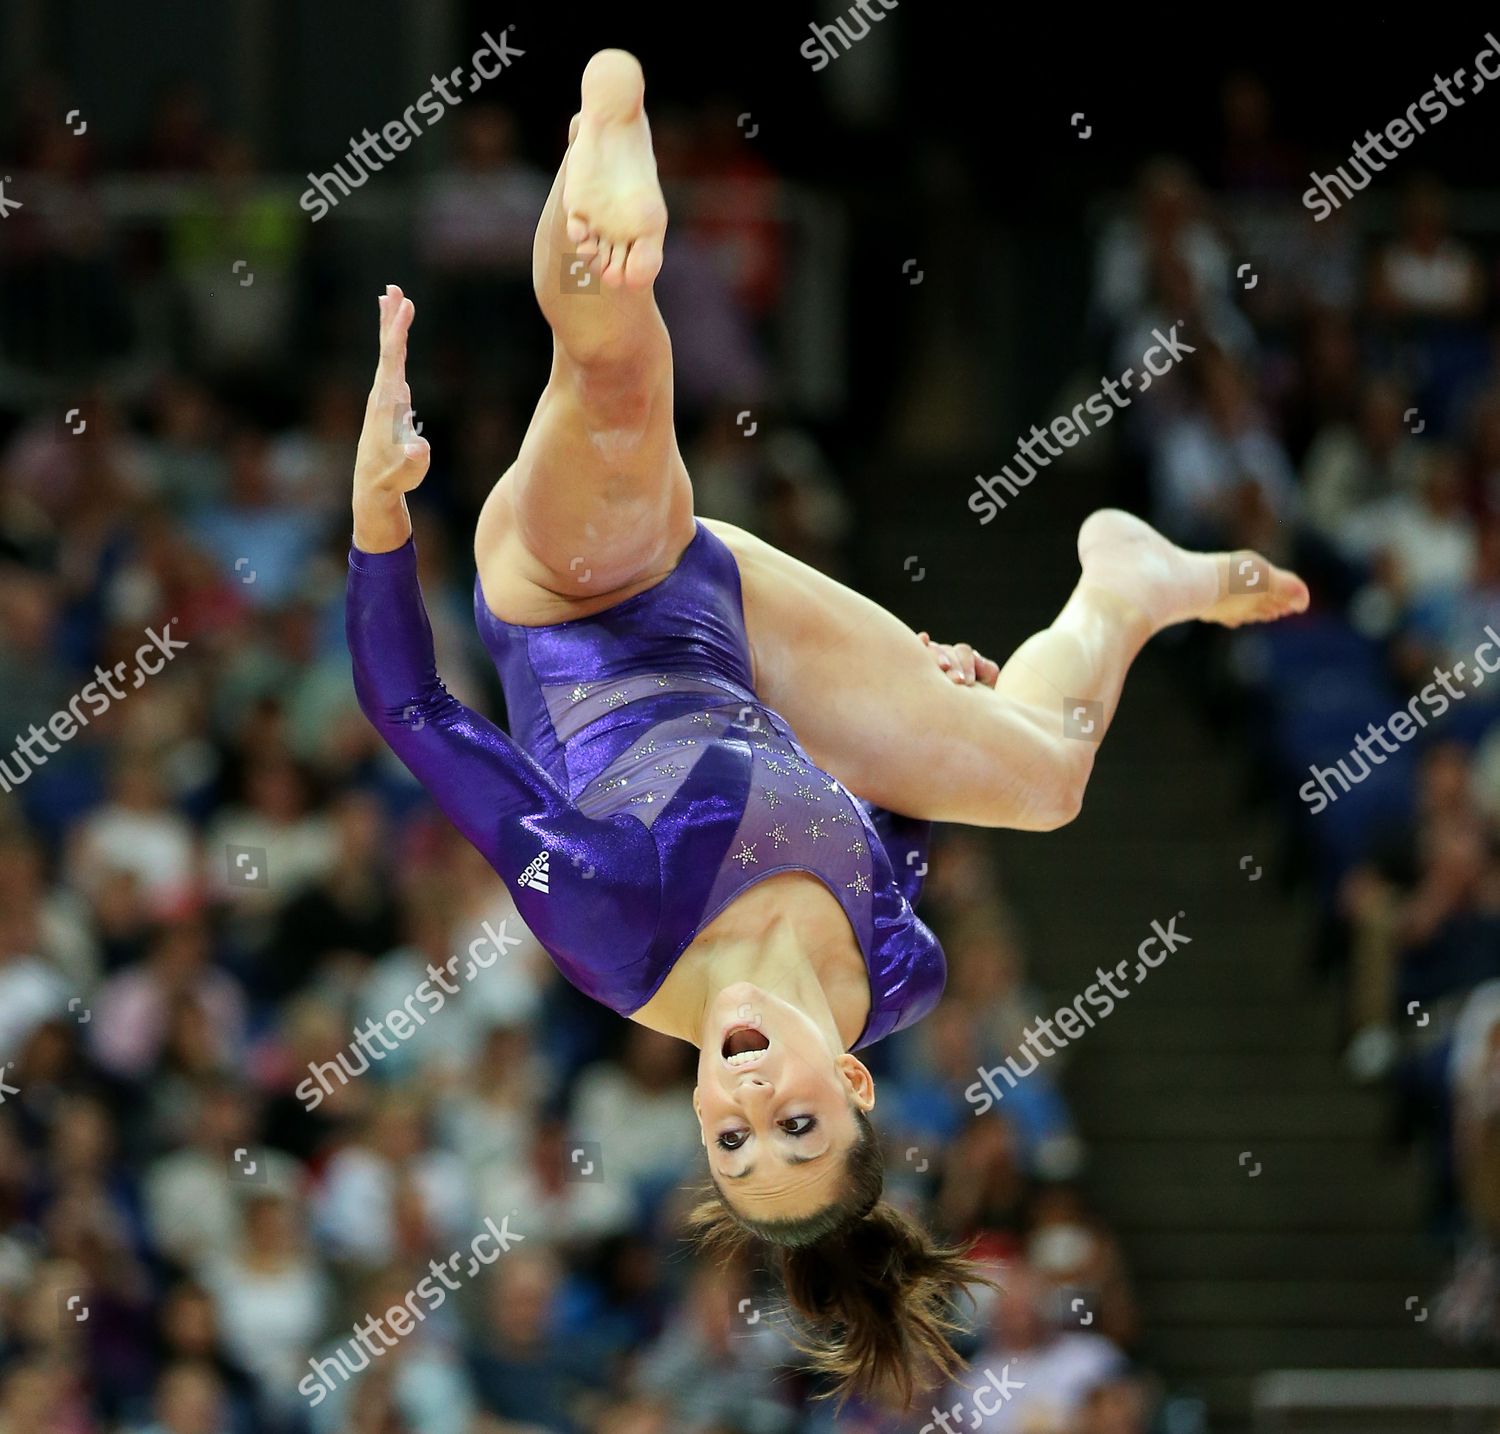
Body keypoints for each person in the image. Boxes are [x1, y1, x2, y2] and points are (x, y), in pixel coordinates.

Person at [345, 49, 1308, 1405]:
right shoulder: (895, 972)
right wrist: (933, 702)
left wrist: (378, 515)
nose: (747, 1106)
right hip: (739, 638)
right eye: (793, 1125)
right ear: (856, 1081)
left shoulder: (612, 920)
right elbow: (887, 830)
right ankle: (1122, 587)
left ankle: (605, 120)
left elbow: (415, 707)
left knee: (620, 394)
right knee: (1042, 786)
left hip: (571, 589)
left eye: (733, 1142)